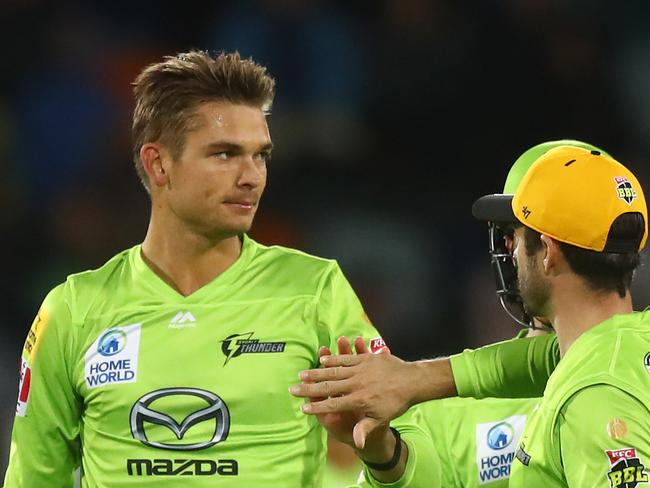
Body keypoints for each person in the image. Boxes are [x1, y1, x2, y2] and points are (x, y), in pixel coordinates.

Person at [3, 50, 437, 487]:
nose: (252, 176)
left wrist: (380, 449)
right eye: (225, 154)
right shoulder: (75, 310)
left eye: (260, 156)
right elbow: (34, 477)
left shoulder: (313, 291)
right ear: (159, 164)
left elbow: (422, 463)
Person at [294, 145, 650, 487]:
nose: (510, 251)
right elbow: (536, 360)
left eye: (519, 234)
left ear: (548, 252)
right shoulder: (620, 346)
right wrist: (412, 380)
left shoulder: (593, 393)